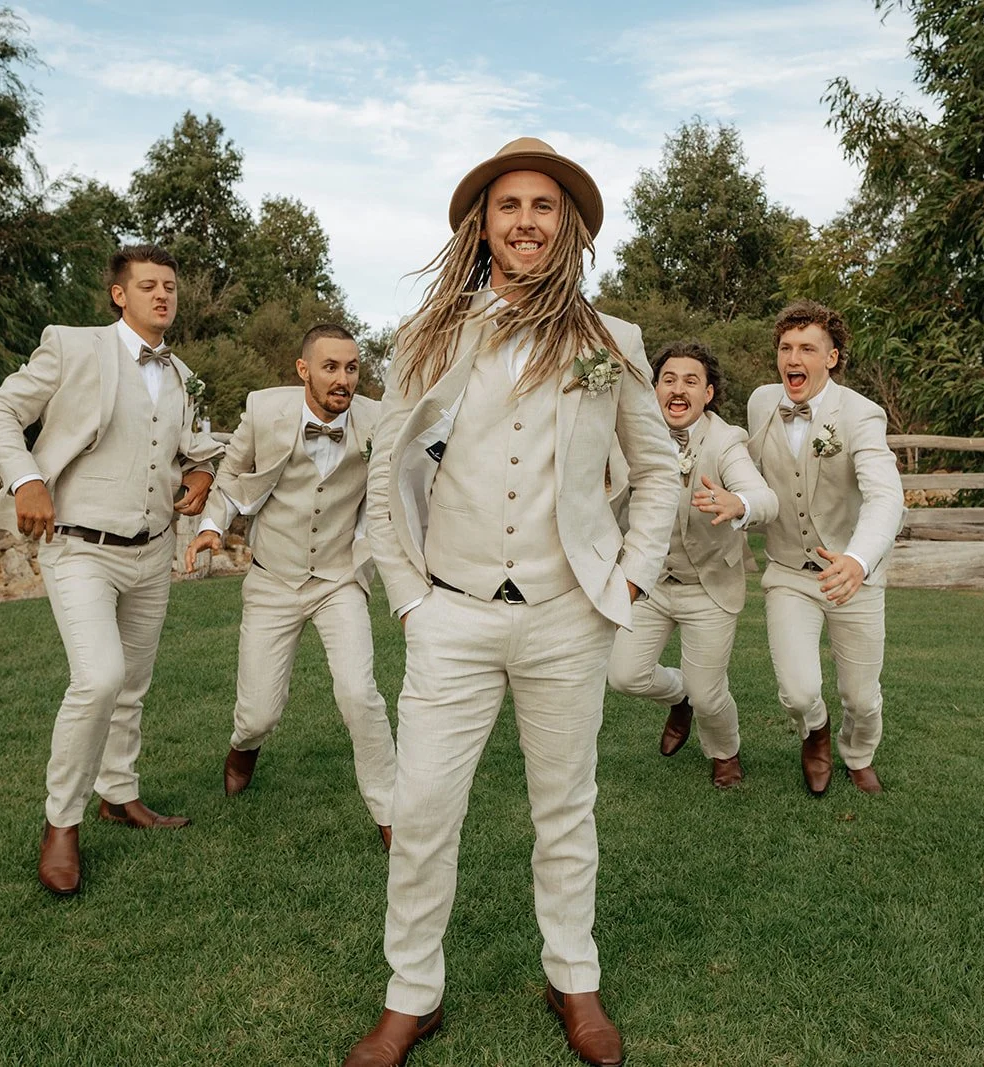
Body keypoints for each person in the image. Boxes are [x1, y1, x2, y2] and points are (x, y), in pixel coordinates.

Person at [342, 137, 680, 1067]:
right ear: (481, 226)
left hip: (567, 614)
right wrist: (409, 598)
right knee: (422, 811)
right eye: (508, 206)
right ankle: (413, 993)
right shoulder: (427, 336)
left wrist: (630, 579)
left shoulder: (613, 343)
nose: (526, 221)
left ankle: (573, 976)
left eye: (543, 206)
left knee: (566, 809)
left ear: (566, 225)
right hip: (449, 614)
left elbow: (658, 473)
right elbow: (384, 479)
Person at [0, 243, 224, 895]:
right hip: (79, 546)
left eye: (170, 285)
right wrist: (27, 477)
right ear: (121, 294)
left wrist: (199, 473)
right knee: (100, 676)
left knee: (133, 683)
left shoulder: (183, 376)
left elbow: (200, 444)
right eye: (148, 285)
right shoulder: (73, 346)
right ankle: (62, 822)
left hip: (151, 551)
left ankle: (119, 794)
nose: (162, 295)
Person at [184, 323, 397, 849]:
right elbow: (232, 478)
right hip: (273, 578)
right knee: (260, 712)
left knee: (359, 694)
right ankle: (244, 744)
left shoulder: (378, 419)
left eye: (351, 367)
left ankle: (393, 812)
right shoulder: (263, 410)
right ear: (303, 370)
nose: (343, 378)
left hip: (338, 578)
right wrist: (211, 528)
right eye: (330, 367)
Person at [744, 299, 904, 796]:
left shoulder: (861, 415)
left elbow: (886, 496)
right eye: (786, 347)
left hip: (850, 574)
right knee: (797, 691)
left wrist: (858, 560)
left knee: (862, 698)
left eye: (808, 348)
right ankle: (814, 730)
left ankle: (858, 753)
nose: (794, 357)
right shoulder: (759, 403)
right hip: (789, 571)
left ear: (831, 357)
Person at [605, 340, 778, 787]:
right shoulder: (629, 435)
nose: (677, 389)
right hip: (650, 582)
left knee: (710, 693)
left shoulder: (726, 442)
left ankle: (725, 753)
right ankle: (676, 696)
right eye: (668, 379)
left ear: (708, 393)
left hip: (709, 586)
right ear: (653, 389)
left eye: (690, 381)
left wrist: (737, 502)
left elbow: (765, 499)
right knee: (624, 676)